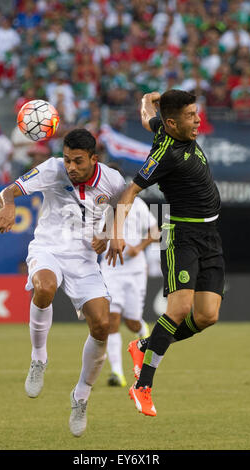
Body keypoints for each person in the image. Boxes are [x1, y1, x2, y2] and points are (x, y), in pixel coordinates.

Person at [0, 128, 126, 437]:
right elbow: (9, 190)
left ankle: (81, 396)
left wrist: (107, 233)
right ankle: (39, 358)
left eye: (78, 161)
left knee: (102, 326)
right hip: (49, 248)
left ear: (94, 159)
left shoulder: (113, 181)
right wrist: (8, 204)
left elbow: (120, 209)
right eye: (67, 160)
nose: (70, 168)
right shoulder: (53, 169)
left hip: (83, 260)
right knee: (44, 287)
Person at [106, 90, 225, 417]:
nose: (198, 119)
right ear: (173, 123)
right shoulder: (166, 154)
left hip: (210, 237)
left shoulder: (166, 126)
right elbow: (130, 191)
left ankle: (143, 346)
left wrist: (148, 97)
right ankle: (142, 386)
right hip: (182, 235)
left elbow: (147, 116)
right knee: (179, 309)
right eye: (191, 116)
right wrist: (116, 232)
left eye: (196, 113)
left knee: (206, 316)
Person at [100, 164, 160, 388]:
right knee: (111, 321)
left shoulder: (139, 205)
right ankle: (117, 372)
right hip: (110, 268)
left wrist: (139, 247)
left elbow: (156, 230)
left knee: (132, 322)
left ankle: (143, 333)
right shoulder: (101, 206)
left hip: (134, 269)